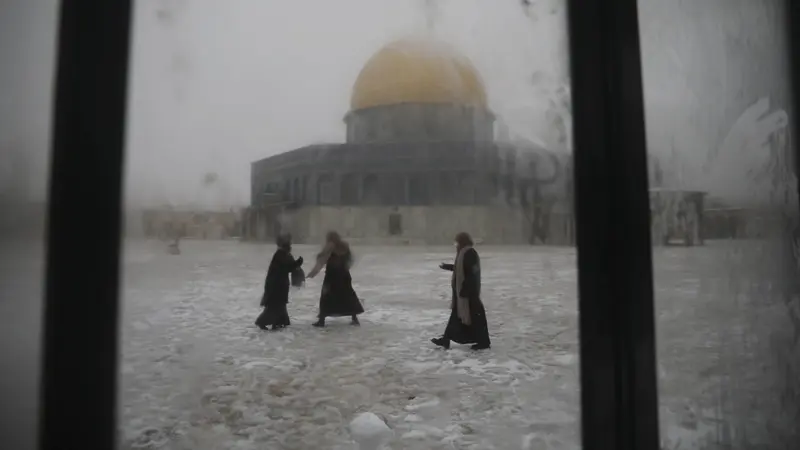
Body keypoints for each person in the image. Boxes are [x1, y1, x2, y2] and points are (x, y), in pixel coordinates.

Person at [432, 232, 491, 350]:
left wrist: (466, 288)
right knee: (456, 317)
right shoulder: (465, 253)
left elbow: (471, 272)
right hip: (463, 293)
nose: (456, 245)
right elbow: (461, 268)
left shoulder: (469, 253)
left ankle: (484, 342)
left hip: (469, 293)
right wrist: (448, 267)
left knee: (476, 317)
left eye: (457, 242)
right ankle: (446, 339)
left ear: (462, 242)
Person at [307, 231, 364, 327]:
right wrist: (345, 268)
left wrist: (313, 273)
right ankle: (354, 318)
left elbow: (322, 260)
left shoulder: (330, 246)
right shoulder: (344, 246)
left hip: (332, 276)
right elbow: (350, 259)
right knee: (348, 296)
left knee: (326, 297)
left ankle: (322, 320)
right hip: (344, 275)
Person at [255, 233, 304, 330]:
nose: (290, 246)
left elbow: (288, 267)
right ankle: (263, 322)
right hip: (276, 285)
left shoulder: (284, 254)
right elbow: (286, 267)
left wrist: (297, 264)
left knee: (279, 305)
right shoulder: (280, 254)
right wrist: (298, 263)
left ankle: (280, 322)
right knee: (275, 306)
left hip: (279, 285)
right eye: (289, 244)